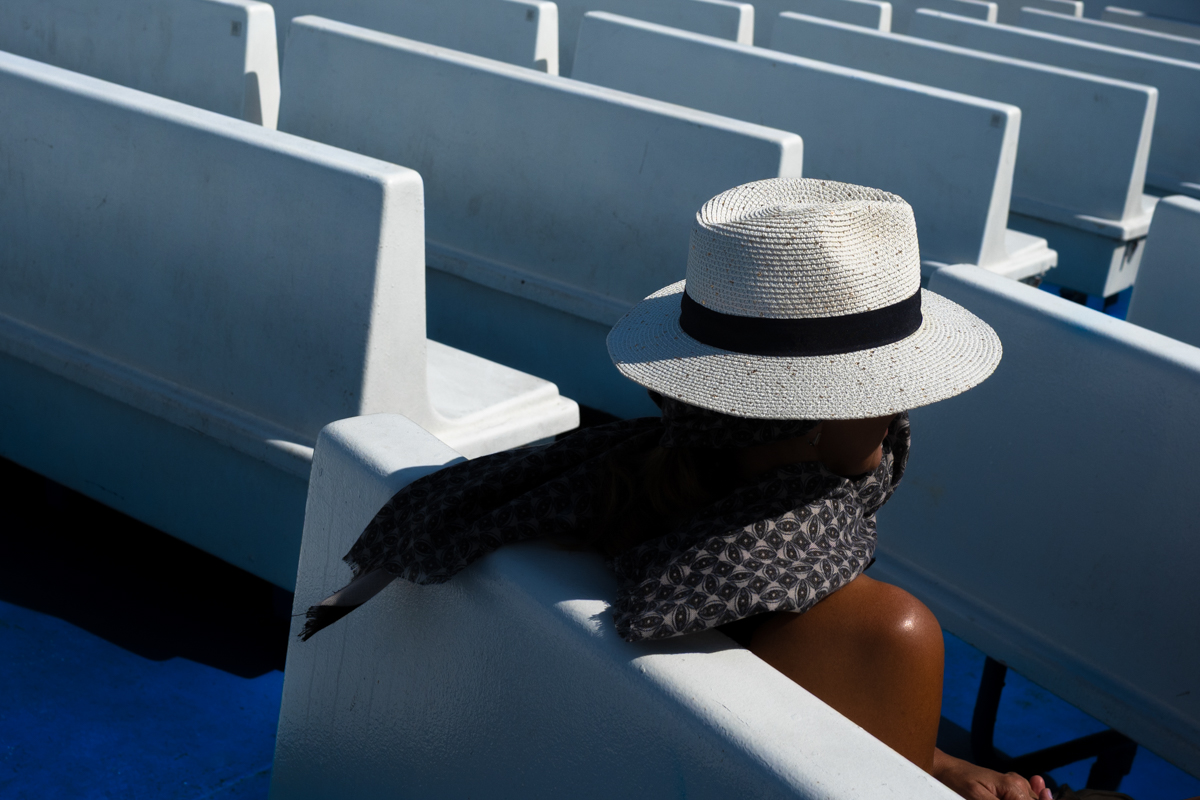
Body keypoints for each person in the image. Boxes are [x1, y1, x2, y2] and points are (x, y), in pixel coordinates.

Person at [302, 178, 1052, 800]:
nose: (900, 413)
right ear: (820, 416)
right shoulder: (886, 636)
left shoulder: (595, 497)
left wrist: (934, 767)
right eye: (891, 387)